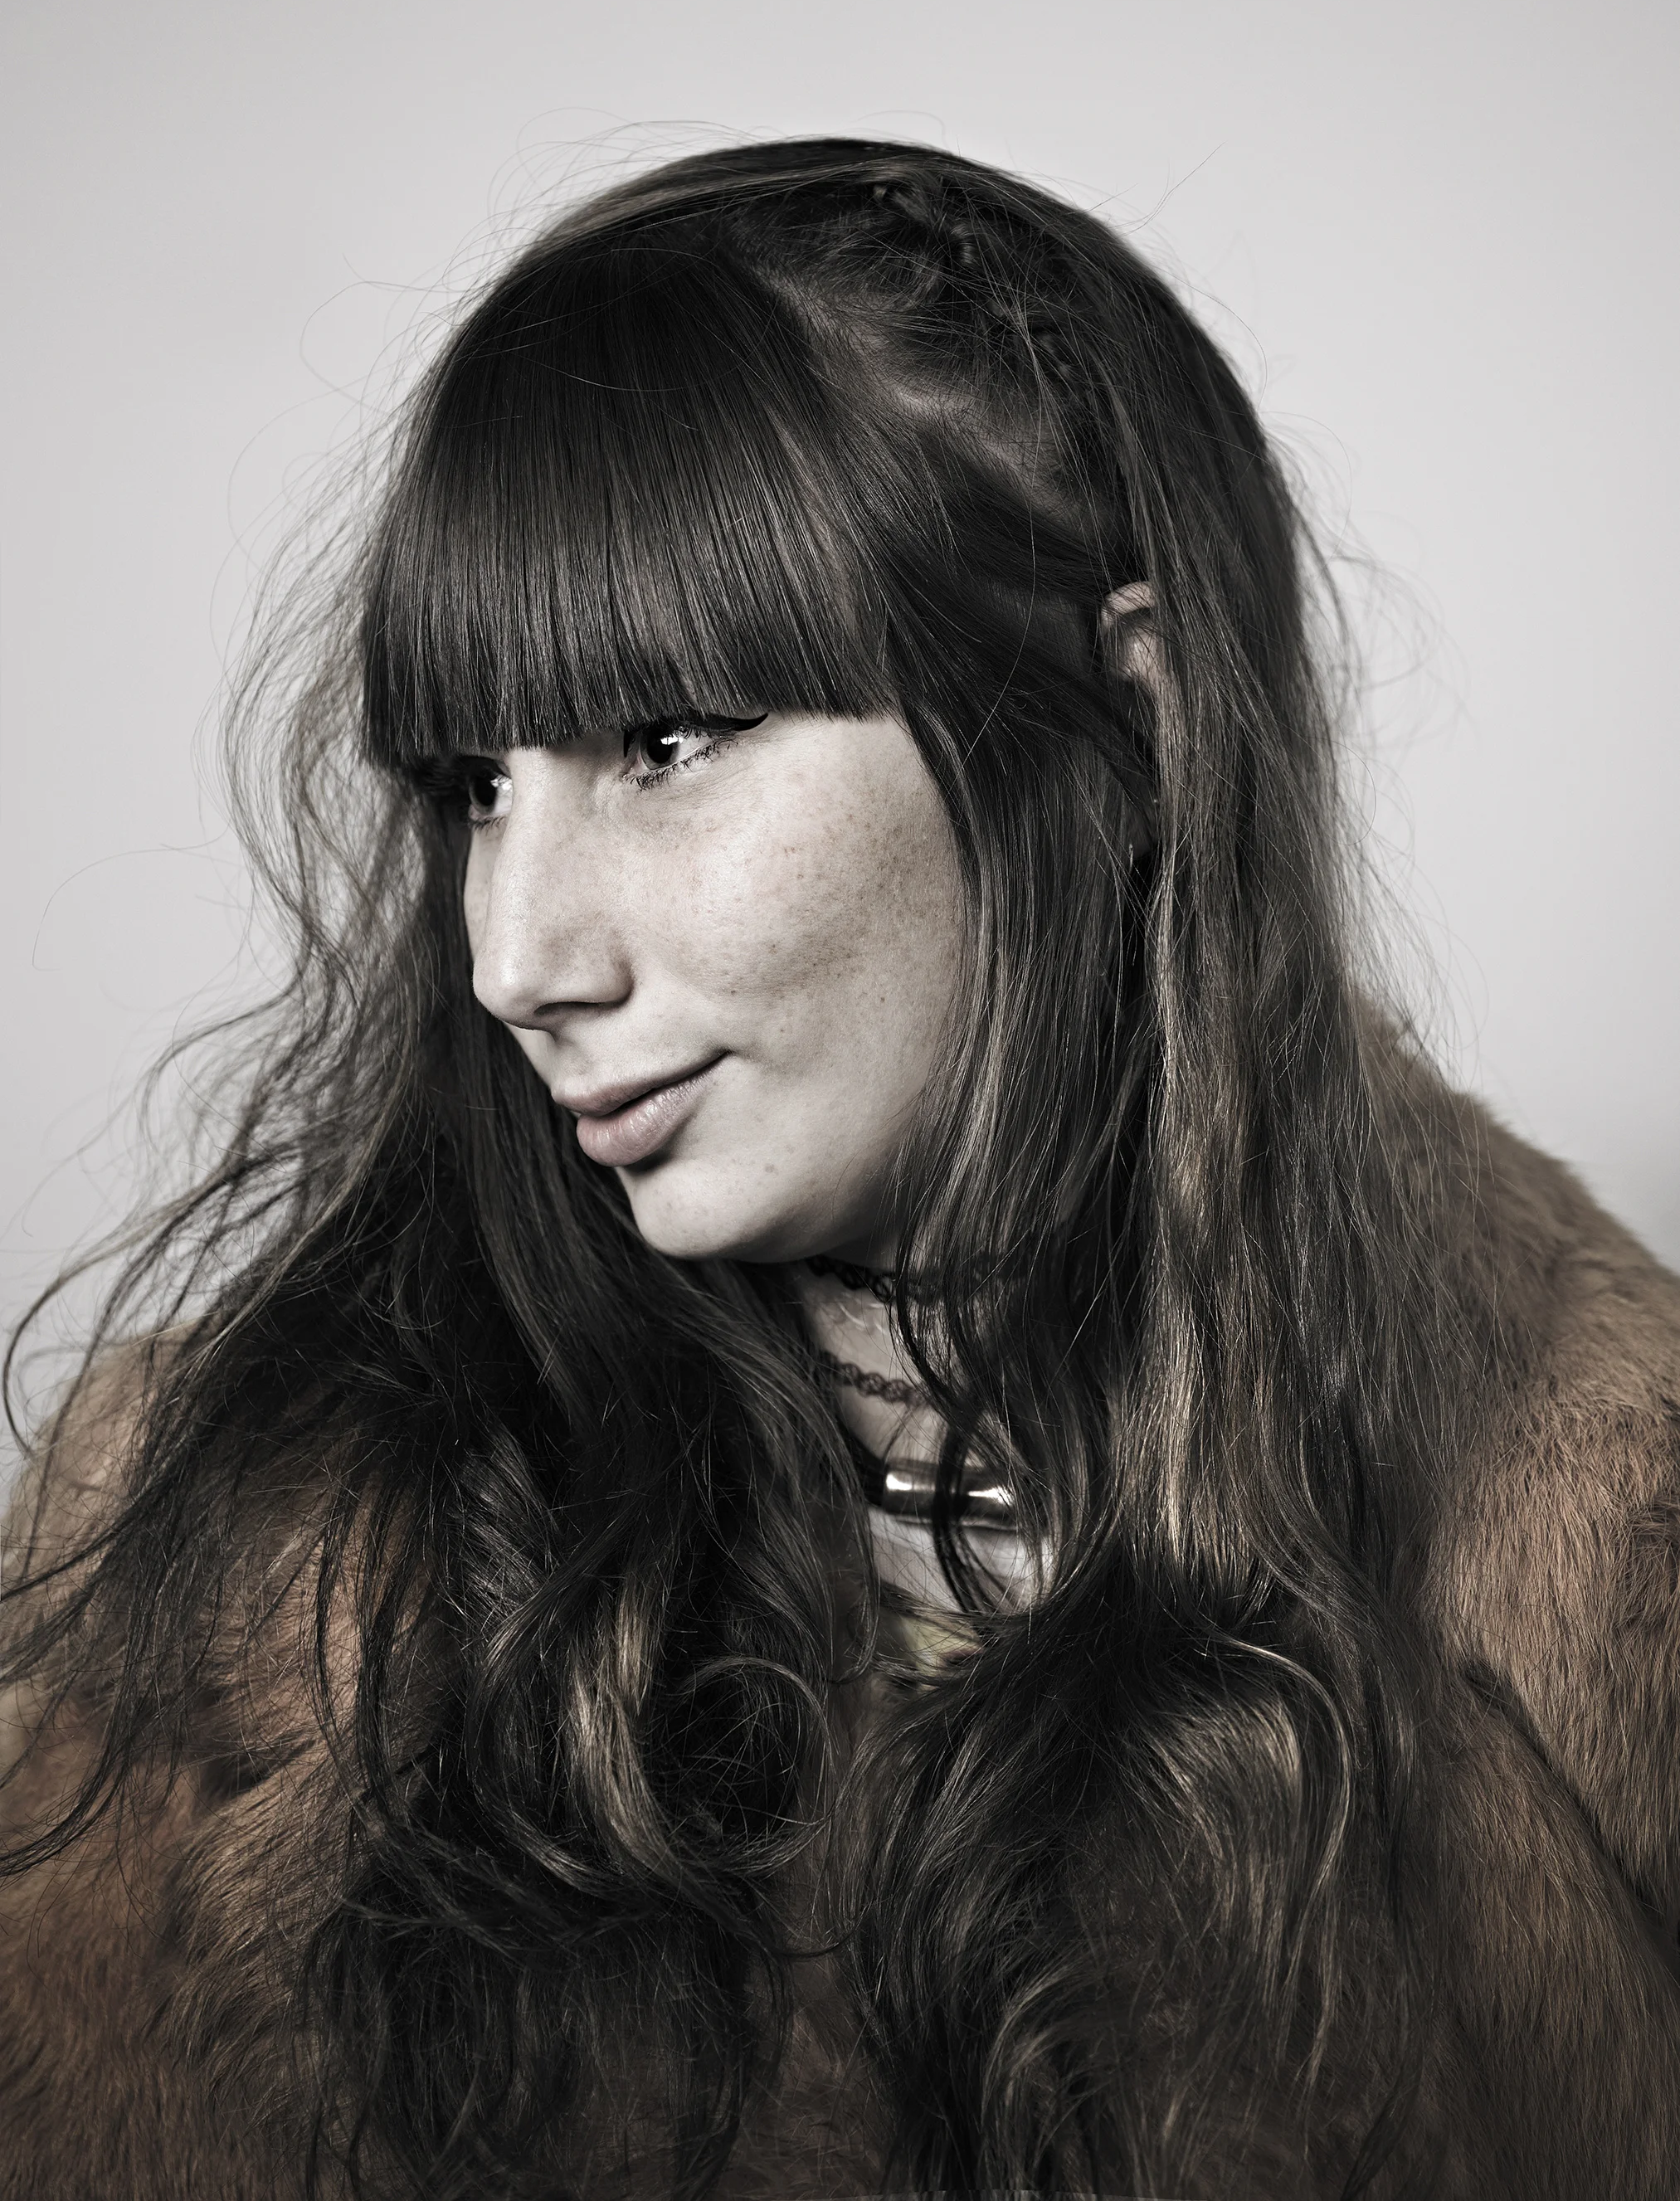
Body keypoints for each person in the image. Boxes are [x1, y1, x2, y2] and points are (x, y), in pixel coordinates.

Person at [2, 136, 1677, 2201]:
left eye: (664, 743)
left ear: (1135, 720)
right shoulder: (252, 1575)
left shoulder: (1621, 1541)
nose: (516, 959)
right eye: (472, 787)